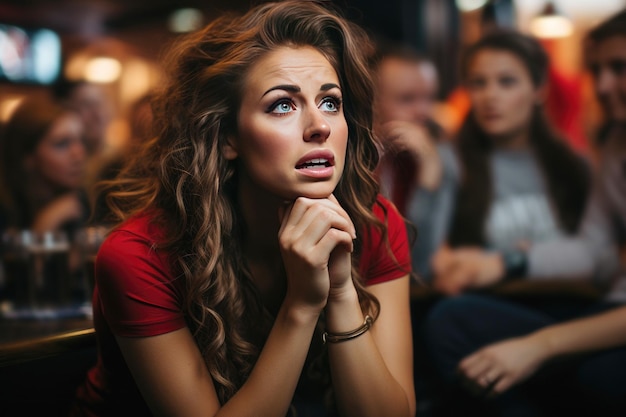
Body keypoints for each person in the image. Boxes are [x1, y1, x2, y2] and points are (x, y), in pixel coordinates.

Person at [69, 2, 416, 417]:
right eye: (282, 105)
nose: (319, 125)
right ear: (227, 137)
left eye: (330, 102)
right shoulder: (138, 254)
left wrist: (340, 287)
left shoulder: (373, 223)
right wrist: (303, 303)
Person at [425, 16, 626, 417]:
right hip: (580, 308)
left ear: (538, 90)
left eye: (618, 69)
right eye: (478, 83)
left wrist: (540, 346)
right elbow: (594, 248)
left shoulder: (575, 163)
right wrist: (507, 262)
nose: (602, 86)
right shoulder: (616, 145)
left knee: (588, 375)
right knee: (449, 321)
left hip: (583, 308)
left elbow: (600, 264)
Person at [370, 40, 459, 281]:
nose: (423, 111)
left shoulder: (442, 157)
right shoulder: (353, 156)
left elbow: (421, 262)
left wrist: (429, 175)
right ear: (372, 102)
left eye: (429, 98)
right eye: (407, 99)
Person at [0, 94, 89, 236]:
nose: (79, 154)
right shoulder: (4, 209)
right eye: (62, 144)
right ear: (28, 157)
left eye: (81, 141)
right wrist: (46, 223)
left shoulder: (79, 200)